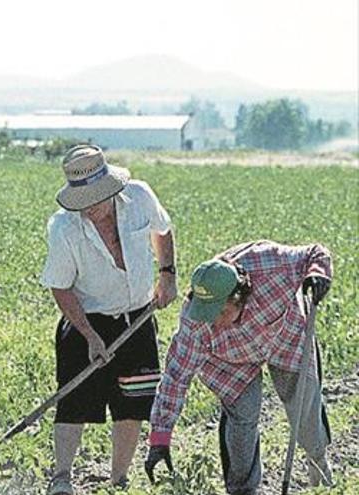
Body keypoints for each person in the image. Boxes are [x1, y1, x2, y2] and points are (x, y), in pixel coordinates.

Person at [40, 144, 178, 494]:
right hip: (87, 320)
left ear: (111, 190)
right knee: (73, 401)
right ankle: (62, 478)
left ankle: (118, 479)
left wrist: (168, 274)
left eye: (94, 200)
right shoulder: (63, 229)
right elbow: (61, 288)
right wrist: (89, 335)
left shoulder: (140, 197)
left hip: (138, 317)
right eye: (81, 202)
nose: (88, 209)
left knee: (131, 402)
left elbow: (162, 230)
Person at [145, 240, 334, 495]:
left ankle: (319, 465)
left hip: (285, 337)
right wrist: (160, 438)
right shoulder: (196, 322)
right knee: (243, 418)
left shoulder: (271, 266)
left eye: (221, 312)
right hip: (229, 359)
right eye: (208, 313)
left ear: (239, 297)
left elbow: (315, 253)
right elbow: (176, 379)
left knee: (305, 416)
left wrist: (318, 274)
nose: (214, 320)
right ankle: (243, 490)